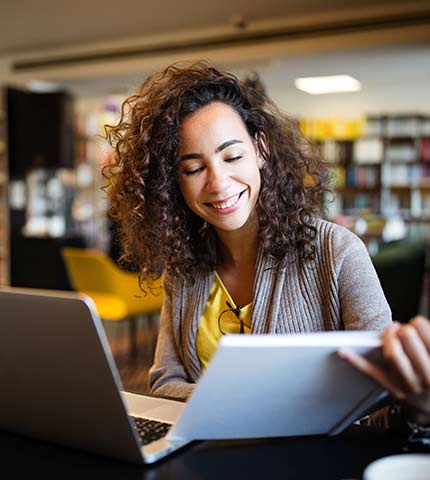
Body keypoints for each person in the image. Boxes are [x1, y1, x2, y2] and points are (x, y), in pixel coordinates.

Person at [105, 61, 429, 429]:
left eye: (232, 156)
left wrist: (418, 407)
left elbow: (381, 400)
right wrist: (257, 401)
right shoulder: (184, 267)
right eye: (194, 168)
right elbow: (164, 382)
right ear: (173, 181)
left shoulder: (337, 251)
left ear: (260, 150)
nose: (218, 183)